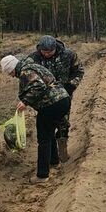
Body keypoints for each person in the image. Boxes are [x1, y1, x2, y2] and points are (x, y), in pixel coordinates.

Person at [0, 55, 70, 184]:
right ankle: (54, 162)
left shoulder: (25, 71)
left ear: (12, 68)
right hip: (63, 100)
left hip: (51, 104)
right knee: (49, 134)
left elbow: (39, 86)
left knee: (43, 138)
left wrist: (25, 102)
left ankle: (42, 175)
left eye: (9, 72)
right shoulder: (31, 66)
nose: (11, 75)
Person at [28, 35, 84, 163]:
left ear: (55, 48)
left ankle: (62, 149)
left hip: (64, 96)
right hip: (44, 99)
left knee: (63, 122)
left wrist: (71, 86)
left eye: (50, 51)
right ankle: (51, 155)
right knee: (47, 125)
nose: (46, 54)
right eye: (44, 51)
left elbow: (79, 71)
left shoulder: (69, 55)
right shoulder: (33, 58)